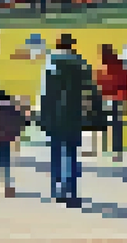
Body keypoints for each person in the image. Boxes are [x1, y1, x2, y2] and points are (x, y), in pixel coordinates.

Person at [38, 32, 95, 207]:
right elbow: (89, 91)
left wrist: (43, 115)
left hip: (54, 115)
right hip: (73, 114)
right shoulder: (80, 65)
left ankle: (57, 189)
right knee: (71, 153)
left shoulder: (50, 64)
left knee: (56, 152)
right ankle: (71, 190)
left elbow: (45, 93)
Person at [0, 88, 26, 198]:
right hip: (7, 138)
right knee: (6, 161)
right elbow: (21, 120)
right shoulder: (12, 108)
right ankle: (6, 183)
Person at [97, 43, 127, 160]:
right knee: (115, 124)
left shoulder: (106, 66)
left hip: (110, 98)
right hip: (113, 98)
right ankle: (114, 148)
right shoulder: (116, 65)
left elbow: (99, 82)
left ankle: (110, 147)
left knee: (110, 123)